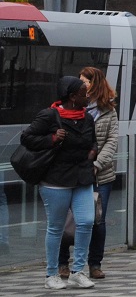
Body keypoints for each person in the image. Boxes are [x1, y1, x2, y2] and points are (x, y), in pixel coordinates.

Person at [22, 76, 97, 290]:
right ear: (72, 97)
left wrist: (93, 151)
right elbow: (27, 138)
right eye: (84, 94)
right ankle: (51, 274)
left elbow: (92, 140)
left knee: (86, 221)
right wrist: (52, 139)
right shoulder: (49, 116)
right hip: (56, 180)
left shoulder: (87, 118)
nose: (88, 96)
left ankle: (78, 271)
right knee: (56, 228)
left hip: (82, 177)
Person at [57, 67, 117, 281]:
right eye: (80, 81)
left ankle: (94, 264)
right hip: (74, 172)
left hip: (101, 174)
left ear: (95, 84)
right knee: (67, 220)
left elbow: (112, 140)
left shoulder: (108, 110)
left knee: (97, 221)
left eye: (85, 81)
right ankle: (62, 263)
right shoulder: (69, 108)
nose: (82, 84)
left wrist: (98, 163)